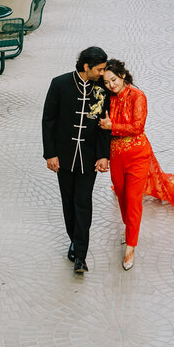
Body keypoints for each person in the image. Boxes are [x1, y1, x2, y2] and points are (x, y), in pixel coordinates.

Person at [98, 58, 174, 271]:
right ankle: (129, 229)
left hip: (138, 155)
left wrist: (112, 126)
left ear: (123, 76)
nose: (111, 85)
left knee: (133, 199)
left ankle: (131, 246)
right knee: (120, 192)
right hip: (116, 155)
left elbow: (138, 126)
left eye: (114, 79)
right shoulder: (107, 98)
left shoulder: (138, 96)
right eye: (107, 81)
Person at [42, 46, 111, 274]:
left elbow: (104, 125)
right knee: (68, 202)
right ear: (86, 67)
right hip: (63, 156)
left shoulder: (101, 89)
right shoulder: (59, 84)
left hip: (89, 158)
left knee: (83, 202)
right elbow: (48, 120)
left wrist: (103, 155)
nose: (102, 74)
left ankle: (80, 254)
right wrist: (50, 154)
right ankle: (74, 240)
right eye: (99, 69)